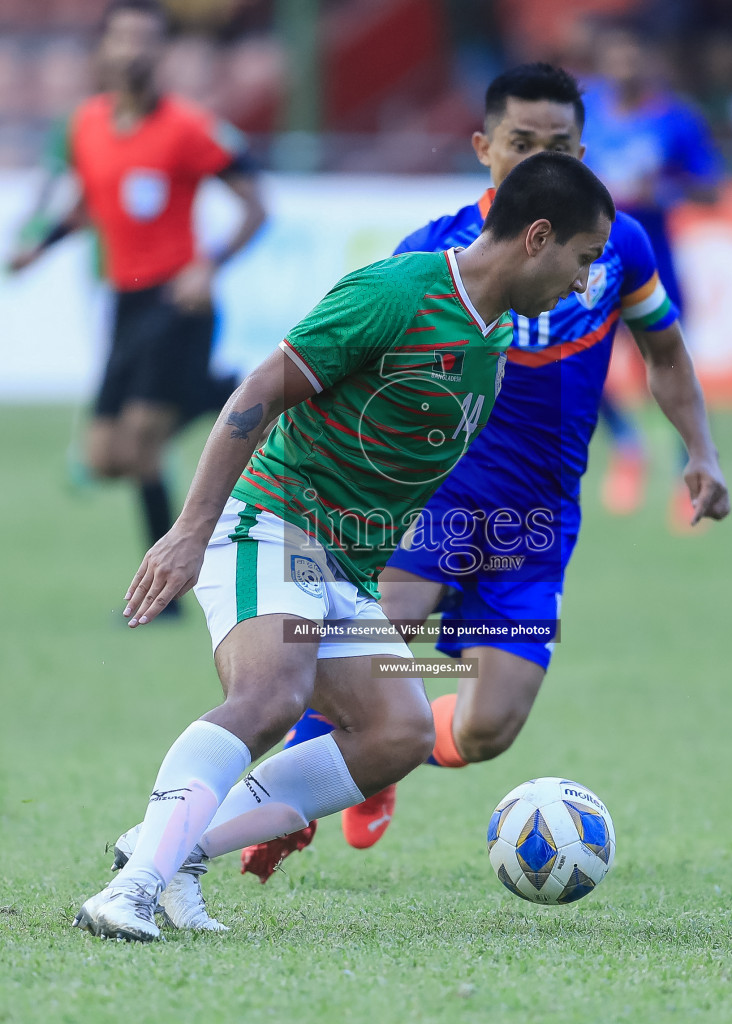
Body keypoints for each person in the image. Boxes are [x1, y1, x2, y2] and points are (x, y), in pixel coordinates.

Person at [70, 150, 616, 942]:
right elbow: (259, 392)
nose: (584, 282)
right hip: (271, 524)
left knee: (399, 732)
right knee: (270, 696)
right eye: (584, 258)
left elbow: (397, 477)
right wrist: (191, 531)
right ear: (539, 236)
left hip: (343, 567)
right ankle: (131, 890)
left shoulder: (489, 346)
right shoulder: (397, 291)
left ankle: (175, 851)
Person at [240, 62, 730, 886]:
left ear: (584, 148)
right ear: (483, 146)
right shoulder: (430, 250)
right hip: (436, 499)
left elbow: (667, 353)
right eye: (522, 143)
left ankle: (385, 755)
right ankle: (308, 787)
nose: (544, 157)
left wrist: (701, 452)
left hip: (537, 520)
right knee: (378, 636)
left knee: (487, 729)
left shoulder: (614, 247)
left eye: (563, 145)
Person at [7, 0, 266, 613]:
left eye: (147, 40)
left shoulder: (189, 126)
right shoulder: (85, 125)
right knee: (105, 458)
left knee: (144, 447)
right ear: (102, 49)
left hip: (178, 300)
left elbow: (257, 205)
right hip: (124, 303)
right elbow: (83, 207)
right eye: (123, 39)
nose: (134, 51)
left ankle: (165, 597)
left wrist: (211, 262)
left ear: (163, 51)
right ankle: (218, 392)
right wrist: (36, 249)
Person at [582, 20, 724, 525]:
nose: (624, 66)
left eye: (633, 57)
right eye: (615, 57)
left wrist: (659, 190)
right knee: (579, 366)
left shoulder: (677, 120)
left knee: (665, 369)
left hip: (653, 268)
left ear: (648, 62)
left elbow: (712, 192)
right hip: (588, 270)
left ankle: (687, 475)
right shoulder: (582, 112)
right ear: (601, 61)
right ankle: (626, 443)